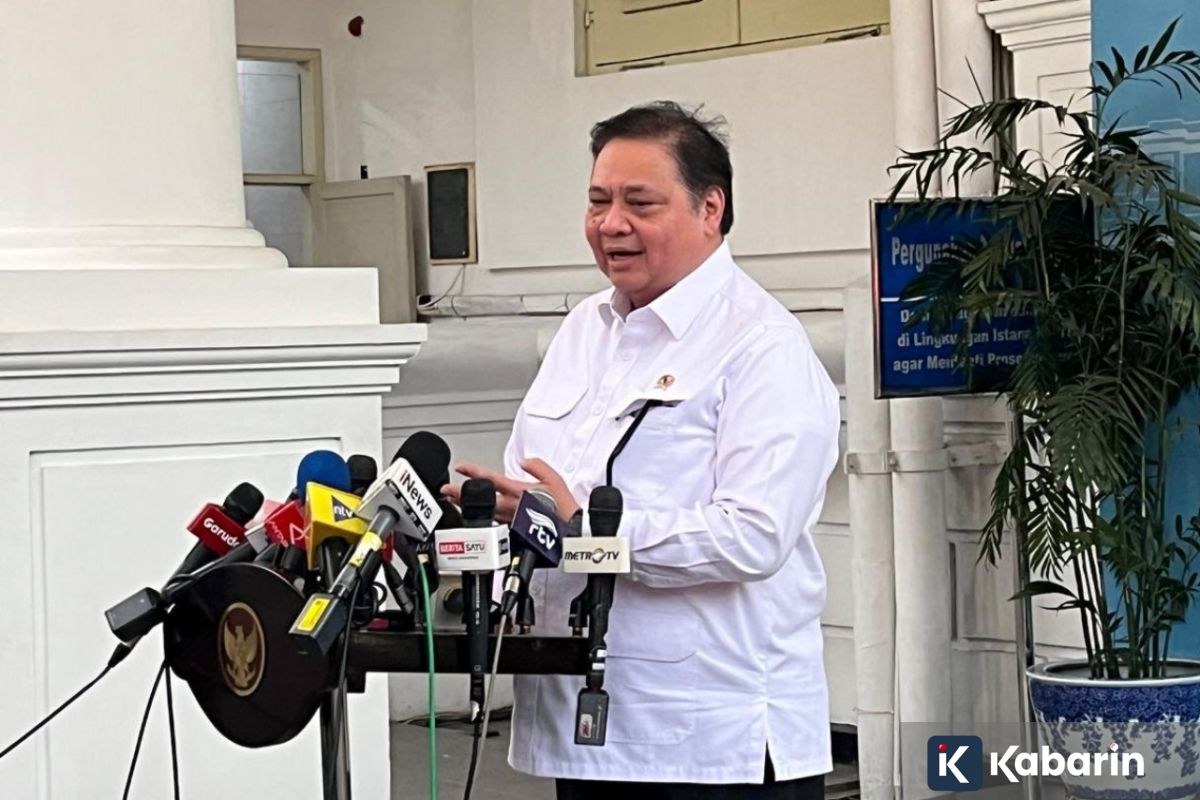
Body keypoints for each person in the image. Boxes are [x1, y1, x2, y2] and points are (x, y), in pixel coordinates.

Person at [442, 101, 841, 800]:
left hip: (709, 745)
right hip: (583, 728)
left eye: (639, 203)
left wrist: (588, 533)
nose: (610, 223)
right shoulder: (583, 330)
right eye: (598, 201)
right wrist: (493, 521)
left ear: (710, 208)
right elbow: (539, 492)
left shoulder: (762, 346)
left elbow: (754, 535)